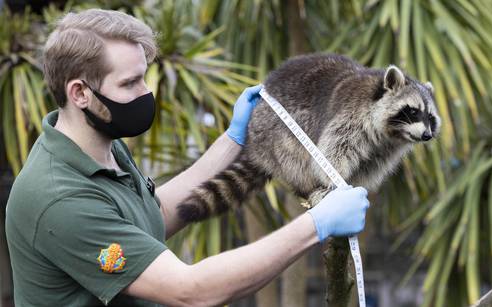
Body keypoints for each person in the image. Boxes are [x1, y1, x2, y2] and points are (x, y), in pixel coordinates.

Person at [5, 8, 370, 307]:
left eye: (144, 78)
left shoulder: (100, 143)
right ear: (80, 93)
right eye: (130, 83)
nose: (146, 93)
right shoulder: (59, 199)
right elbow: (190, 291)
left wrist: (232, 139)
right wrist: (316, 226)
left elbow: (152, 215)